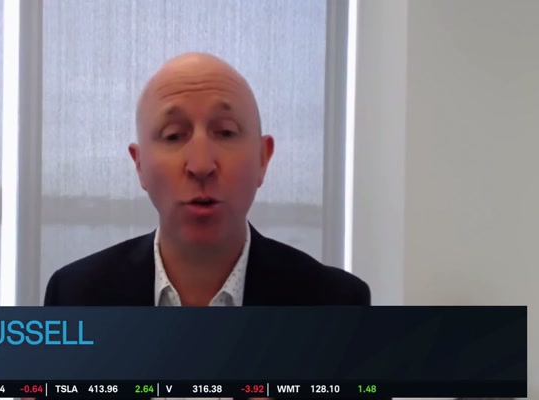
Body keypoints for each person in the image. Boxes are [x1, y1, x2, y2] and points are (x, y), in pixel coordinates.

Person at [41, 52, 373, 400]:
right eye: (173, 136)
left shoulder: (337, 307)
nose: (201, 165)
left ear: (263, 158)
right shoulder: (76, 299)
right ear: (139, 165)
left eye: (226, 132)